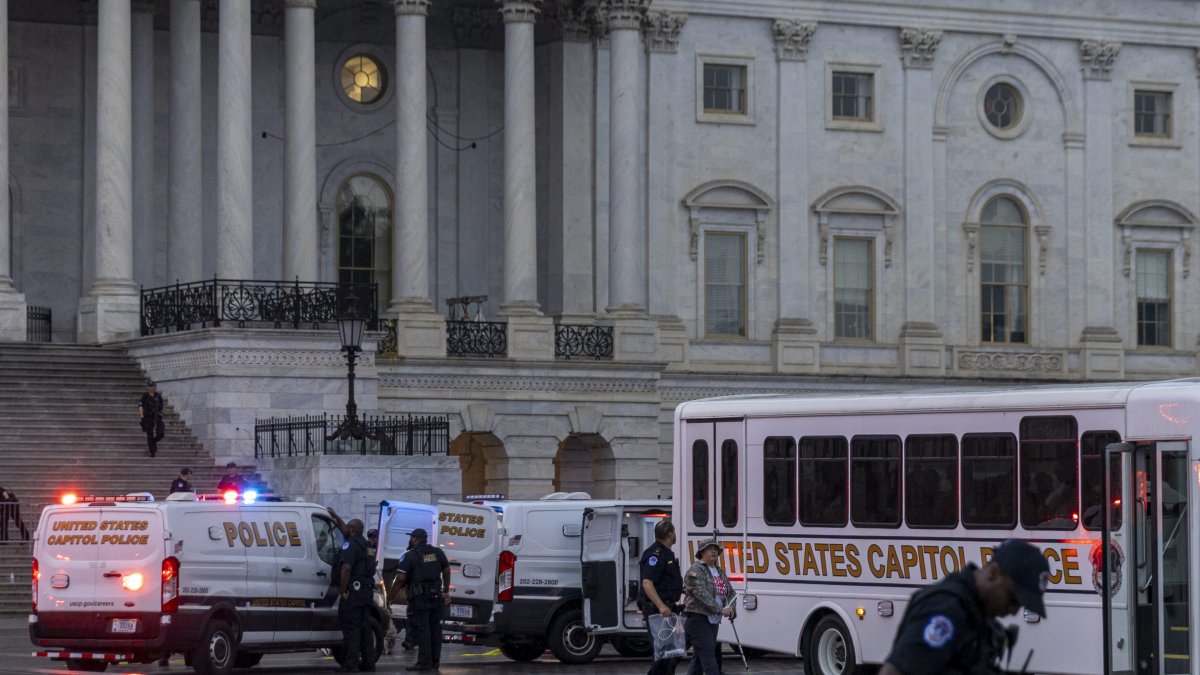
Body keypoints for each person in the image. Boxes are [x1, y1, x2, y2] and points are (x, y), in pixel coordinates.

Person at [880, 539, 1051, 675]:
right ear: (993, 573)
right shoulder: (947, 611)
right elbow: (893, 672)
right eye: (1013, 599)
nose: (1014, 611)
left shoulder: (977, 613)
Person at [395, 528, 450, 672]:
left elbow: (400, 578)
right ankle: (434, 662)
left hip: (419, 599)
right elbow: (447, 570)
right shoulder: (437, 552)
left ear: (414, 539)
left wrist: (390, 595)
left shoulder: (410, 556)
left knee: (422, 630)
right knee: (435, 629)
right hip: (435, 597)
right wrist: (446, 590)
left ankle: (424, 662)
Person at [682, 539, 735, 675]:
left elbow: (731, 592)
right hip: (698, 619)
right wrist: (720, 609)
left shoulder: (719, 571)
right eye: (709, 549)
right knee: (709, 659)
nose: (713, 551)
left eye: (715, 549)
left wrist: (731, 608)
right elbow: (701, 593)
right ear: (702, 553)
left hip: (712, 621)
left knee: (699, 659)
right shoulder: (695, 570)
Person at [639, 519, 683, 675]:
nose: (675, 535)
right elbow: (647, 583)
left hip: (667, 609)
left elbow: (665, 582)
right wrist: (661, 606)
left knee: (669, 652)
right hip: (657, 612)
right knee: (663, 653)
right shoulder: (655, 554)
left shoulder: (665, 552)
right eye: (674, 532)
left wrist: (684, 589)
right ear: (670, 534)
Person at [337, 518, 377, 673]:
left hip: (353, 592)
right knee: (365, 629)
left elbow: (346, 569)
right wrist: (335, 516)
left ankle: (351, 665)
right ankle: (369, 663)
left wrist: (342, 590)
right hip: (366, 592)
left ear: (353, 529)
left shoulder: (351, 545)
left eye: (349, 527)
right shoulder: (369, 546)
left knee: (352, 629)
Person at [138, 380, 165, 458]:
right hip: (148, 417)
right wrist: (142, 417)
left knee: (161, 433)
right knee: (150, 434)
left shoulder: (158, 396)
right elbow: (140, 407)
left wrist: (161, 414)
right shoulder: (145, 396)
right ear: (148, 387)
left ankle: (153, 441)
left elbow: (161, 407)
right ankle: (152, 451)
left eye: (153, 386)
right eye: (150, 387)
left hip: (157, 417)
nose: (152, 388)